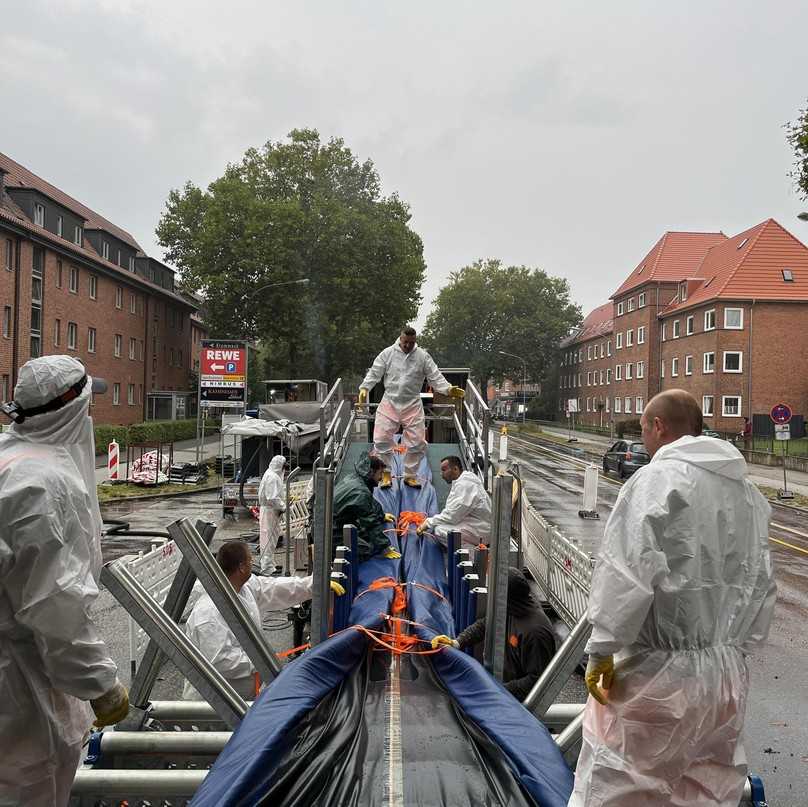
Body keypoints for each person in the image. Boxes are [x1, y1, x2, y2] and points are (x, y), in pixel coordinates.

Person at [570, 390, 777, 807]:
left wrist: (602, 648)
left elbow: (625, 571)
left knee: (620, 784)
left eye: (644, 429)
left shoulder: (655, 482)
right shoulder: (748, 495)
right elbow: (762, 583)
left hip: (658, 675)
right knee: (706, 788)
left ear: (658, 426)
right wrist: (739, 647)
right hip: (725, 674)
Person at [0, 356, 129, 806]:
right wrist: (100, 685)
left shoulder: (8, 458)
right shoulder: (46, 483)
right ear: (73, 408)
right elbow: (53, 609)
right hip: (21, 691)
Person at [184, 541, 344, 699]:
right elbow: (221, 661)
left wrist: (314, 585)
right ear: (241, 567)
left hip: (241, 695)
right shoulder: (208, 614)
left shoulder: (244, 587)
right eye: (250, 561)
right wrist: (261, 660)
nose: (253, 564)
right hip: (214, 703)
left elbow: (276, 588)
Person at [358, 326, 465, 488]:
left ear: (415, 341)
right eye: (405, 342)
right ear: (400, 339)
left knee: (416, 442)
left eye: (411, 342)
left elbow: (435, 376)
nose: (408, 345)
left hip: (412, 403)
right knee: (381, 440)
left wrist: (448, 389)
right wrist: (364, 388)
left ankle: (410, 475)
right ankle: (385, 474)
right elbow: (375, 373)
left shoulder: (422, 356)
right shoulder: (387, 354)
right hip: (390, 401)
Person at [432, 567, 556, 699]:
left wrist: (497, 690)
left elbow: (537, 681)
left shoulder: (535, 633)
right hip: (504, 689)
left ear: (506, 596)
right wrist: (457, 642)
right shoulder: (512, 607)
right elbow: (486, 624)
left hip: (520, 704)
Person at [332, 454, 401, 561]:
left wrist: (381, 516)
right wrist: (385, 547)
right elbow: (371, 523)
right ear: (371, 472)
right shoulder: (360, 492)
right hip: (333, 532)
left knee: (364, 534)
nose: (381, 478)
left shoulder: (355, 478)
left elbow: (371, 503)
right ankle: (328, 552)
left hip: (338, 523)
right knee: (366, 549)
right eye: (380, 473)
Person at [415, 455, 491, 547]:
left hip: (481, 530)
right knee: (443, 525)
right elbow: (453, 512)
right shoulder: (462, 482)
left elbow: (452, 516)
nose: (441, 474)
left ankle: (473, 556)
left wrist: (429, 522)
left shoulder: (465, 485)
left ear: (455, 469)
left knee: (441, 531)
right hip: (476, 524)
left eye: (444, 470)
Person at [258, 454, 286, 573]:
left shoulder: (270, 473)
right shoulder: (273, 477)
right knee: (268, 539)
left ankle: (270, 564)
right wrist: (283, 506)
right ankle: (267, 568)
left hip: (270, 510)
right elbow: (272, 498)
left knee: (271, 538)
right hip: (270, 510)